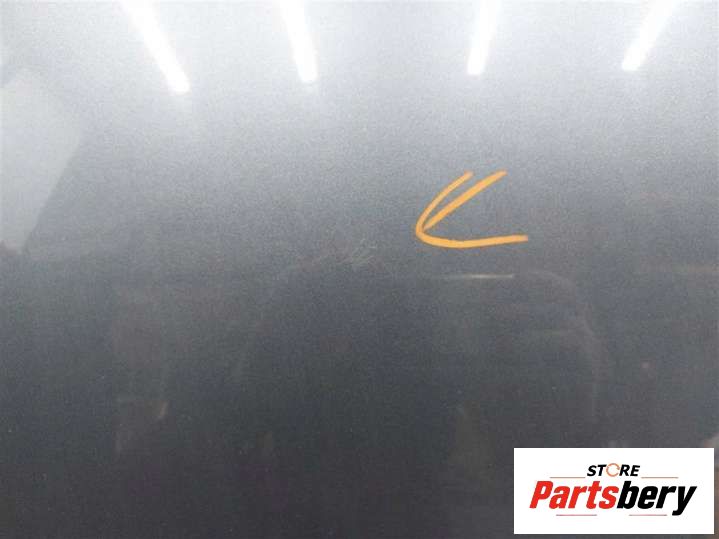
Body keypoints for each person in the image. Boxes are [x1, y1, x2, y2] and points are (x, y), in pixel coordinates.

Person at [240, 255, 456, 538]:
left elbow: (249, 390)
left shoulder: (296, 295)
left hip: (327, 503)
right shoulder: (389, 302)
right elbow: (442, 429)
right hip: (395, 503)